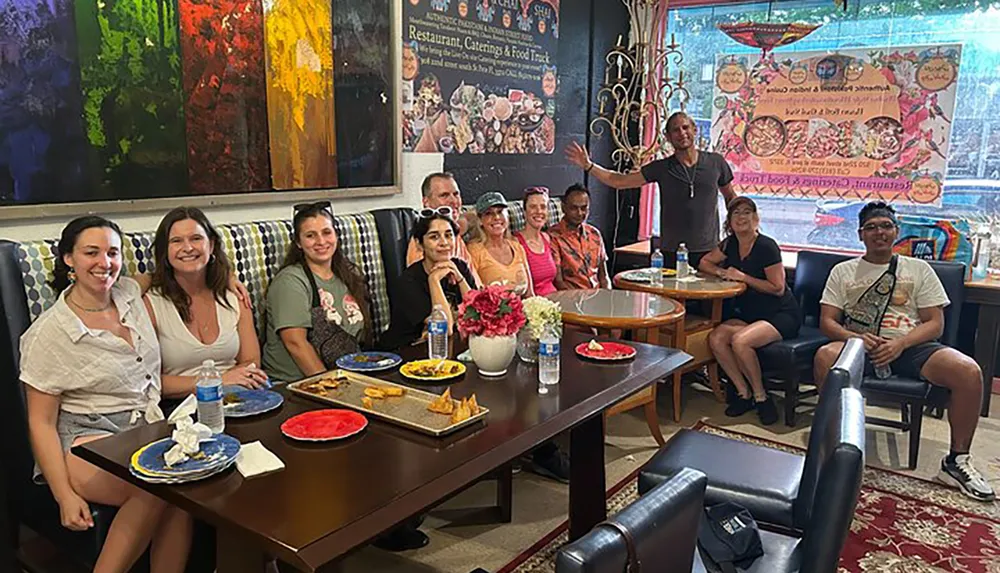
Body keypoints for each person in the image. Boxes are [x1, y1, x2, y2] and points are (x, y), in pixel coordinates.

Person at [20, 216, 192, 573]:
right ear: (69, 258)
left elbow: (165, 272)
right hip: (84, 437)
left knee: (181, 494)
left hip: (145, 426)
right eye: (91, 253)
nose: (105, 263)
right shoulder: (50, 334)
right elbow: (40, 422)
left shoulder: (127, 292)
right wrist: (63, 495)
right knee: (154, 487)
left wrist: (229, 278)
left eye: (113, 253)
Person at [813, 202, 994, 502]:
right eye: (871, 227)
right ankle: (833, 445)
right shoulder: (843, 271)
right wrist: (856, 338)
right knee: (824, 358)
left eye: (886, 226)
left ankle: (957, 460)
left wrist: (901, 343)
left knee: (969, 372)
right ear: (860, 235)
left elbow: (935, 324)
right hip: (861, 346)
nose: (879, 232)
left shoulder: (918, 269)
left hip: (912, 346)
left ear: (896, 232)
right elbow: (827, 322)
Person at [564, 111, 736, 269]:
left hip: (709, 251)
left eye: (685, 127)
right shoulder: (661, 168)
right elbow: (619, 181)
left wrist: (739, 232)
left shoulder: (716, 162)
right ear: (668, 137)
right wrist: (589, 166)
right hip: (671, 252)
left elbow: (732, 199)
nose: (682, 133)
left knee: (710, 301)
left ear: (695, 130)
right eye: (676, 130)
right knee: (672, 302)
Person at [144, 207, 267, 396]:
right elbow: (147, 380)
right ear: (165, 252)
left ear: (211, 245)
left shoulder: (235, 296)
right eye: (176, 241)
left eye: (196, 238)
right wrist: (215, 381)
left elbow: (251, 362)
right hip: (180, 407)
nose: (188, 248)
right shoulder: (150, 304)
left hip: (238, 396)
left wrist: (231, 382)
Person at [699, 197, 800, 425]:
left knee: (740, 341)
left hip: (780, 314)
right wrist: (722, 273)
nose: (741, 217)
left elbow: (777, 288)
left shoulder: (766, 246)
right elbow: (704, 263)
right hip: (750, 314)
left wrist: (744, 277)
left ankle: (761, 397)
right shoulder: (730, 243)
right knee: (715, 338)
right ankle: (742, 393)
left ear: (756, 218)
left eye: (746, 212)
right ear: (730, 220)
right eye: (736, 213)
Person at [262, 202, 372, 383]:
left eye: (326, 232)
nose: (321, 241)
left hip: (348, 377)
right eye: (310, 236)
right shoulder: (291, 281)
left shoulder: (348, 274)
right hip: (298, 383)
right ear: (298, 242)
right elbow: (295, 343)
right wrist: (332, 388)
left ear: (336, 235)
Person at [380, 211, 478, 349]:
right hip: (406, 352)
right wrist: (434, 280)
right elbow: (444, 330)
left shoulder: (459, 266)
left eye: (449, 235)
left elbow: (480, 313)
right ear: (420, 244)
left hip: (447, 349)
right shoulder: (408, 282)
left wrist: (460, 278)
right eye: (434, 237)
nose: (444, 243)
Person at [405, 172, 480, 285]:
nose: (453, 201)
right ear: (426, 203)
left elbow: (475, 284)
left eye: (456, 194)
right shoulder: (423, 245)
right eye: (444, 195)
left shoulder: (454, 230)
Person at [467, 192, 535, 297]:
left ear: (507, 216)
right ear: (480, 220)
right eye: (489, 213)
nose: (496, 217)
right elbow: (476, 296)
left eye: (500, 212)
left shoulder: (517, 247)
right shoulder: (474, 251)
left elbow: (530, 294)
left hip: (524, 310)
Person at [548, 184, 610, 290]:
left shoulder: (595, 234)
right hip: (572, 298)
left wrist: (609, 298)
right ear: (564, 208)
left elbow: (604, 276)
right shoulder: (553, 236)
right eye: (574, 208)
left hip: (598, 297)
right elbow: (558, 282)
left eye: (584, 208)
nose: (579, 213)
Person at [514, 187, 564, 295]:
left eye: (543, 207)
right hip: (534, 305)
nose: (539, 211)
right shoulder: (516, 242)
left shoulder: (547, 238)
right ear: (524, 211)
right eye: (533, 207)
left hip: (556, 301)